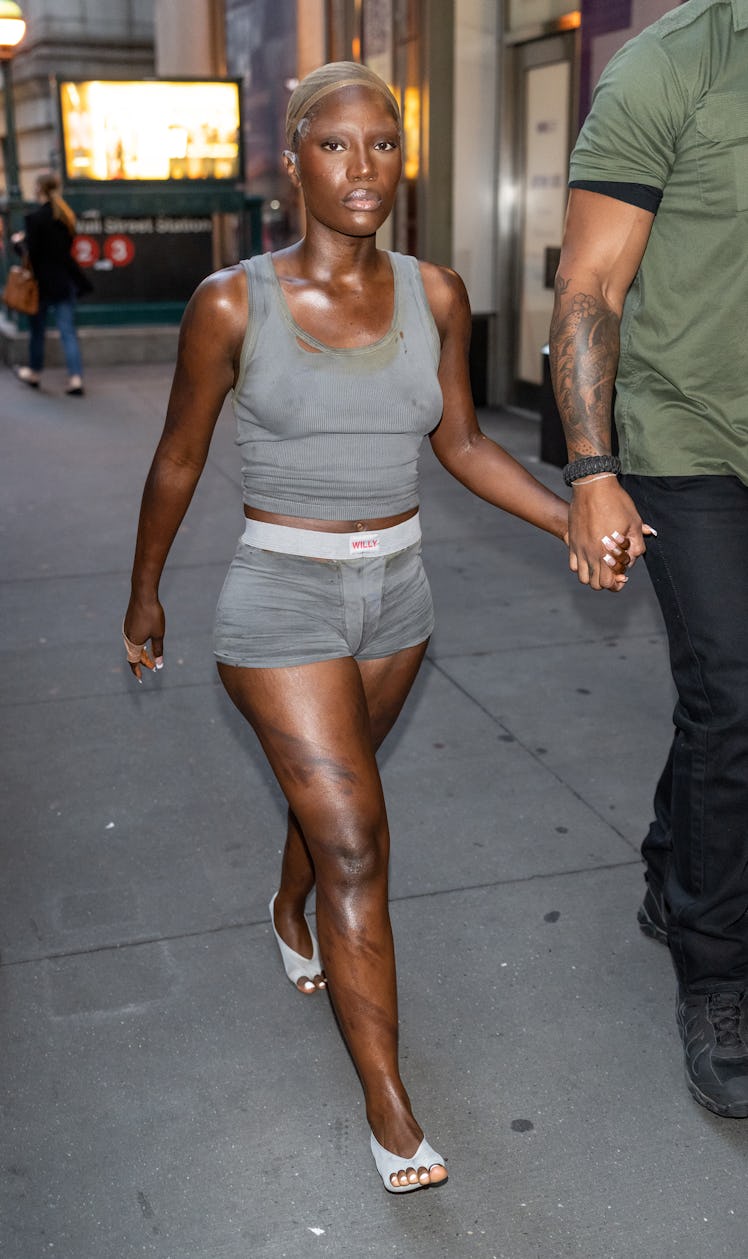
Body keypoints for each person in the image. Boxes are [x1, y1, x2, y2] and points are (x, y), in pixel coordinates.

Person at [123, 61, 629, 1194]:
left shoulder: (436, 292)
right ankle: (392, 1107)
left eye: (384, 146)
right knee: (359, 835)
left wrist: (572, 514)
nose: (365, 168)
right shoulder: (230, 302)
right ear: (293, 158)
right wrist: (144, 590)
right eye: (338, 146)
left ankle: (285, 902)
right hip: (280, 599)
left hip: (398, 594)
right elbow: (178, 457)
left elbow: (460, 445)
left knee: (330, 808)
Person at [549, 0, 748, 1119]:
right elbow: (589, 287)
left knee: (726, 699)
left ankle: (673, 865)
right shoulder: (673, 64)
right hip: (686, 439)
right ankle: (718, 970)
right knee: (735, 692)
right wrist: (590, 471)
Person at [15, 172, 89, 395]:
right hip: (63, 281)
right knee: (67, 331)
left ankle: (35, 372)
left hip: (41, 285)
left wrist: (18, 244)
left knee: (37, 331)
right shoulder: (65, 217)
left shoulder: (35, 218)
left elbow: (32, 254)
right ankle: (76, 378)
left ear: (39, 188)